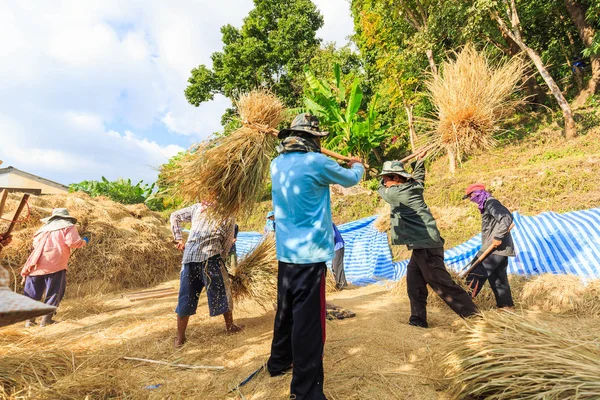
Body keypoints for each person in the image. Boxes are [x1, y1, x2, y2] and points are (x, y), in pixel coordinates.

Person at [267, 113, 364, 400]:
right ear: (313, 140)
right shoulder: (318, 163)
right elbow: (349, 180)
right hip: (310, 258)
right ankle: (306, 391)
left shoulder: (276, 165)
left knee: (285, 313)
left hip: (286, 255)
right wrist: (357, 165)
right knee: (309, 323)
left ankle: (278, 363)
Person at [377, 155, 478, 328]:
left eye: (385, 179)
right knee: (414, 284)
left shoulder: (398, 193)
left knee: (441, 284)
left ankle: (475, 317)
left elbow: (381, 191)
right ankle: (418, 320)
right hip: (421, 246)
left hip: (427, 245)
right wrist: (419, 162)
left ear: (395, 178)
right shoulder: (414, 186)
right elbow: (419, 177)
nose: (384, 183)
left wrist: (382, 177)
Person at [170, 202, 243, 348]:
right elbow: (228, 242)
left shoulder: (198, 207)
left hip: (189, 258)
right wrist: (221, 258)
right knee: (223, 290)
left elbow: (174, 216)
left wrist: (178, 238)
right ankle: (230, 326)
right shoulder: (227, 212)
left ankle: (180, 338)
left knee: (186, 296)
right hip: (211, 256)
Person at [20, 208, 88, 327]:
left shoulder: (42, 229)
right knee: (54, 291)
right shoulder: (68, 226)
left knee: (32, 293)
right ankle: (46, 320)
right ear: (66, 218)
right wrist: (84, 241)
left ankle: (29, 321)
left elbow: (35, 244)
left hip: (35, 264)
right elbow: (73, 242)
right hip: (55, 263)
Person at [463, 183, 515, 310]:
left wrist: (497, 237)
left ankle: (464, 305)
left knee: (476, 273)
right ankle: (506, 307)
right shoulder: (487, 205)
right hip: (500, 249)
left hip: (495, 247)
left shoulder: (491, 203)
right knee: (498, 279)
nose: (471, 200)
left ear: (478, 194)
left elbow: (506, 218)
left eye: (471, 196)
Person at [331, 223, 347, 290]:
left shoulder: (327, 222)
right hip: (335, 247)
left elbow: (333, 235)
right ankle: (340, 284)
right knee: (334, 267)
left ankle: (342, 285)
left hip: (338, 246)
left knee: (337, 266)